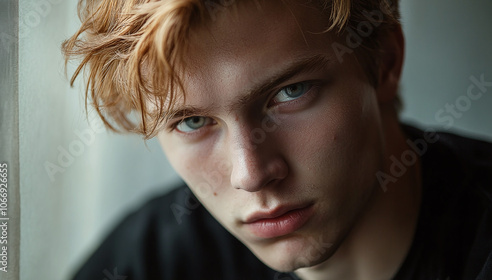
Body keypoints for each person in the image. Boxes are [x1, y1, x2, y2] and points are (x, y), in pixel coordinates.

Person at [62, 0, 492, 279]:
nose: (250, 175)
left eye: (290, 92)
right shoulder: (153, 259)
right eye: (192, 122)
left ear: (384, 62)